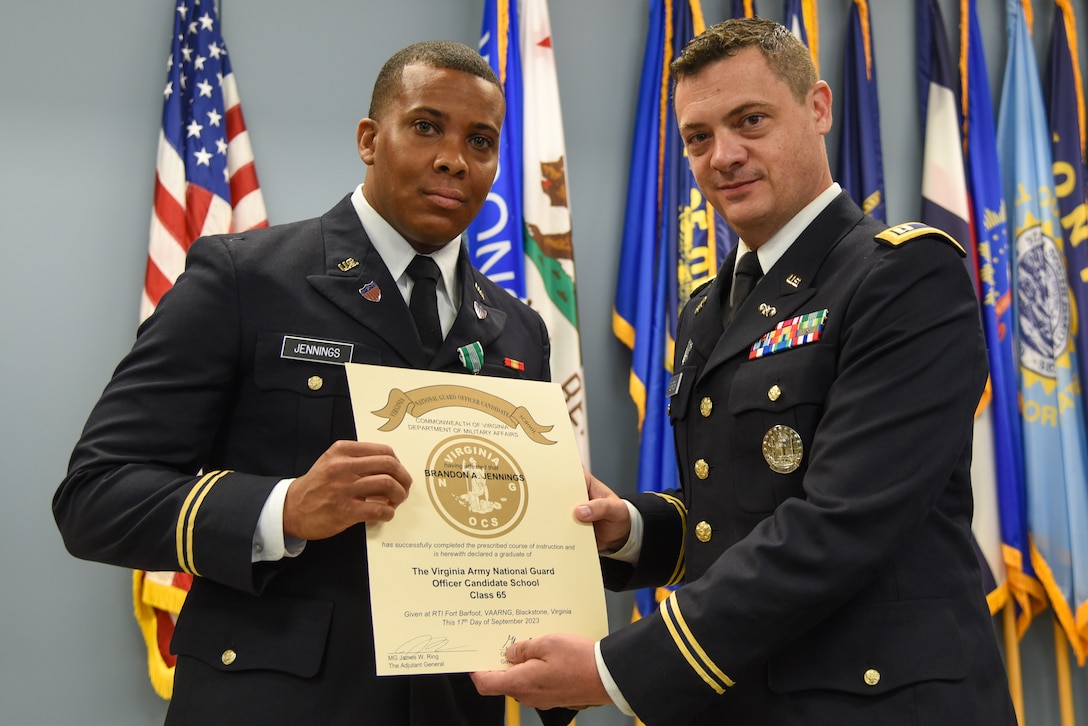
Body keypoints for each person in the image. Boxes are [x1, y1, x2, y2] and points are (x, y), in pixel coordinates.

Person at [472, 17, 1017, 725]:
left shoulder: (904, 274)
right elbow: (733, 509)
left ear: (818, 108)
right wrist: (628, 530)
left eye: (750, 120)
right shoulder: (709, 306)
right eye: (698, 136)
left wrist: (614, 668)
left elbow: (839, 522)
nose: (723, 154)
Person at [54, 40, 573, 726]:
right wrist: (285, 508)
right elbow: (95, 496)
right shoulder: (246, 278)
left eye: (480, 140)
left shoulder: (517, 330)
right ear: (369, 138)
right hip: (276, 701)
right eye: (425, 127)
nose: (453, 157)